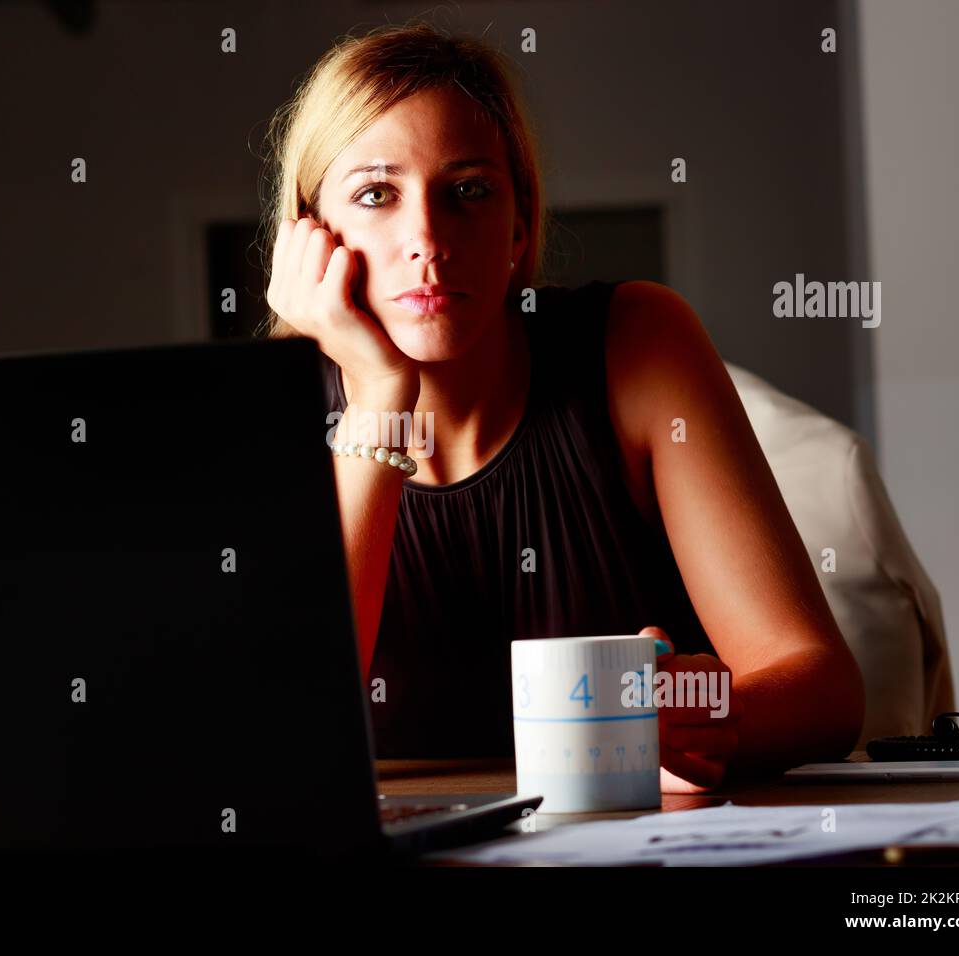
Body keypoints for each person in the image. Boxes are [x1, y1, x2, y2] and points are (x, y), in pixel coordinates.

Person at [258, 22, 864, 792]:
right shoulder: (271, 414)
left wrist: (706, 716)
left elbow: (822, 687)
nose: (427, 239)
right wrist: (380, 396)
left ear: (518, 226)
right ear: (311, 237)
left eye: (468, 190)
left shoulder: (637, 340)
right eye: (377, 194)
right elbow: (284, 736)